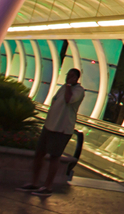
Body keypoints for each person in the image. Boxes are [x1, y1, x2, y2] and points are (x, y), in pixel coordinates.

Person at [17, 68, 85, 197]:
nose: (68, 78)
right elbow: (55, 101)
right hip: (49, 126)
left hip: (62, 129)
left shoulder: (78, 91)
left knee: (55, 157)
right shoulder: (63, 87)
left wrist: (69, 85)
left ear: (77, 78)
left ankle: (48, 186)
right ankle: (34, 182)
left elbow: (68, 100)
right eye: (67, 75)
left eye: (71, 76)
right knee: (39, 154)